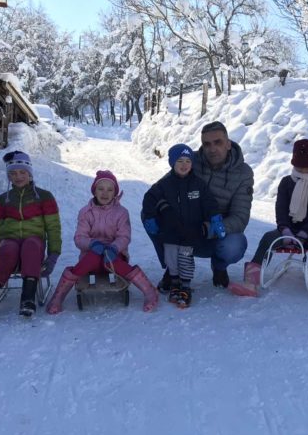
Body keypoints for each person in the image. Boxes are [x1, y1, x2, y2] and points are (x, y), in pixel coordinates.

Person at [145, 121, 253, 291]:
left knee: (235, 244)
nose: (212, 148)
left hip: (214, 231)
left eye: (218, 142)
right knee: (150, 216)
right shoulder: (189, 160)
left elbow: (240, 217)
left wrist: (208, 228)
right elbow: (161, 188)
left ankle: (219, 266)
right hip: (182, 226)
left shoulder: (243, 173)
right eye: (207, 144)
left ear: (228, 143)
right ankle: (172, 267)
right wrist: (164, 209)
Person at [228, 139, 308, 301]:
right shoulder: (286, 182)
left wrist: (305, 233)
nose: (304, 170)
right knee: (268, 238)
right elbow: (281, 209)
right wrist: (285, 230)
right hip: (287, 230)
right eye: (300, 167)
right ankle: (251, 281)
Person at [46, 170, 158, 314]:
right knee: (93, 256)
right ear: (94, 191)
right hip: (91, 258)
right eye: (101, 189)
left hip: (114, 257)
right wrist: (92, 244)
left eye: (110, 190)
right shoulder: (86, 212)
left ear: (115, 193)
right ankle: (58, 296)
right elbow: (79, 237)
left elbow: (124, 236)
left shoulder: (121, 212)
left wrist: (114, 248)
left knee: (110, 260)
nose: (105, 193)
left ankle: (149, 291)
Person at [0, 151, 62, 322]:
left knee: (31, 245)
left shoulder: (44, 197)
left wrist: (54, 254)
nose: (18, 177)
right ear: (8, 176)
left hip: (34, 242)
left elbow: (53, 227)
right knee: (9, 250)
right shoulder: (2, 199)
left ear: (30, 173)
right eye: (12, 173)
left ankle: (27, 300)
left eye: (22, 172)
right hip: (9, 240)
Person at [142, 145, 225, 307]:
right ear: (172, 162)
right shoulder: (165, 184)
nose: (184, 164)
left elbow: (209, 202)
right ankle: (174, 284)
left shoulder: (198, 184)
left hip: (190, 232)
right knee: (171, 259)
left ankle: (185, 286)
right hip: (170, 231)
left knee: (185, 259)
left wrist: (215, 217)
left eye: (188, 161)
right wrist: (150, 217)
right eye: (180, 160)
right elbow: (149, 198)